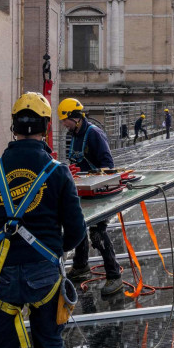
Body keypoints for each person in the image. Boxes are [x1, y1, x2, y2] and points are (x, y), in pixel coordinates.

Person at [0, 92, 86, 348]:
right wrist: (54, 250)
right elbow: (77, 230)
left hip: (2, 273)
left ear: (13, 126)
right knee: (49, 347)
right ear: (46, 126)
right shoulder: (58, 172)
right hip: (44, 272)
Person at [57, 98, 124, 298]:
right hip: (82, 191)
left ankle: (114, 275)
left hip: (98, 192)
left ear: (75, 117)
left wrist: (91, 177)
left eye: (65, 120)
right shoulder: (75, 135)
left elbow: (108, 166)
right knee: (78, 226)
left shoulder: (94, 134)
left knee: (97, 232)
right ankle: (81, 265)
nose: (64, 124)